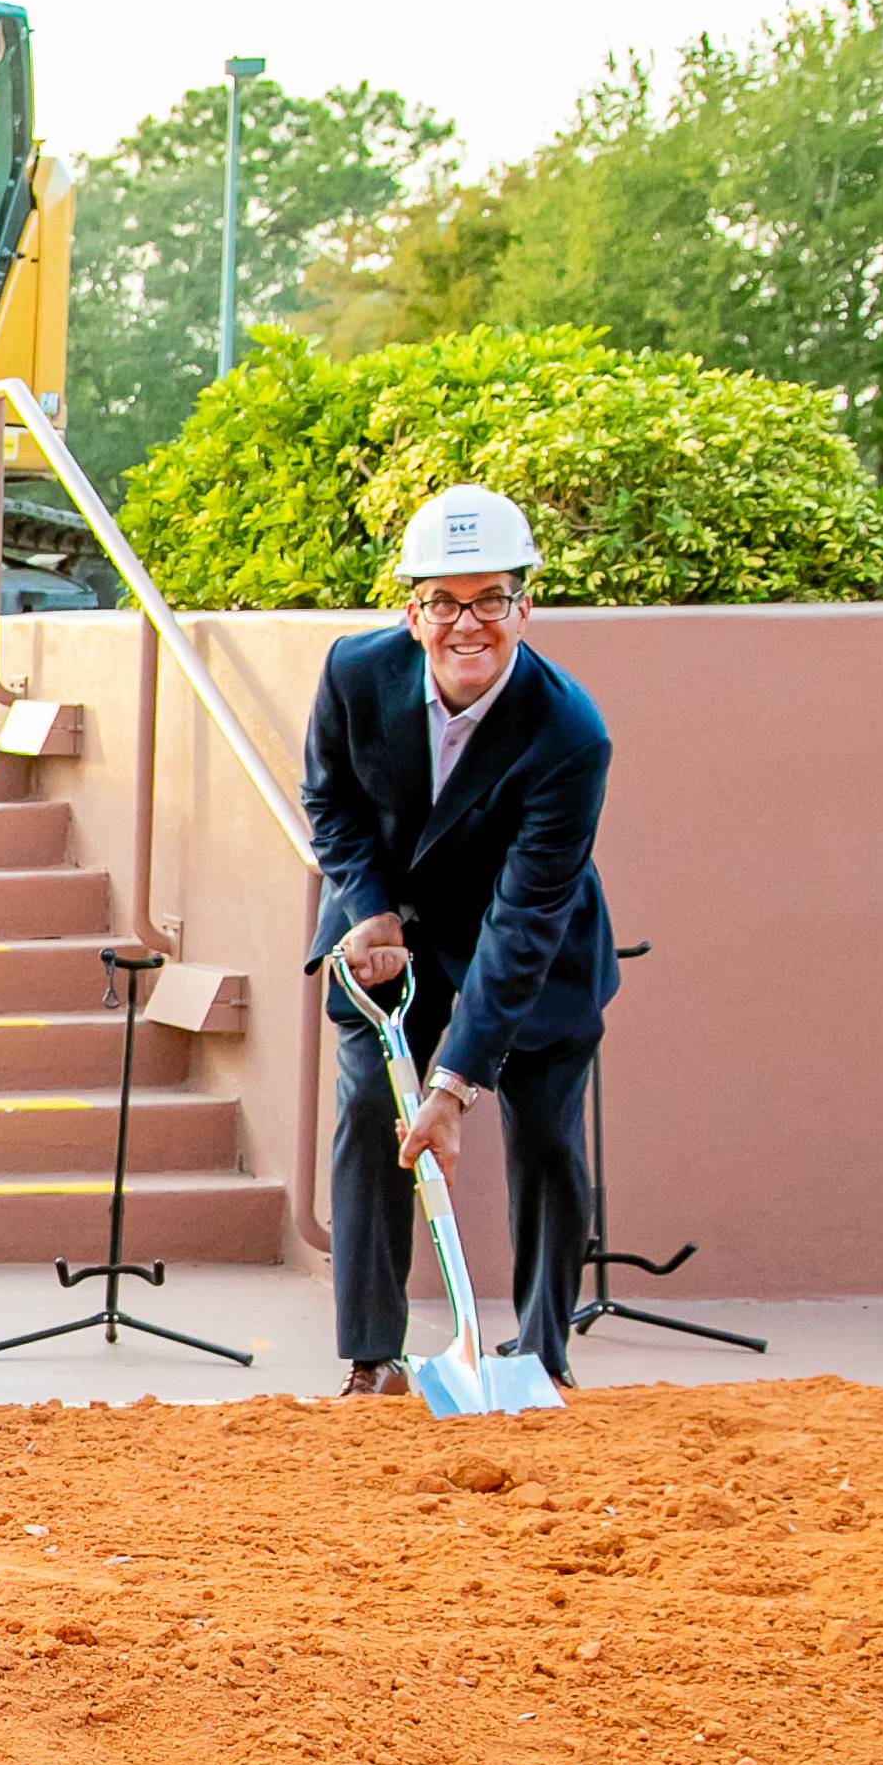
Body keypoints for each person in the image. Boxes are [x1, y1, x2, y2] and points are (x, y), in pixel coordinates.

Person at [301, 481, 615, 1396]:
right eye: (444, 600)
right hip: (385, 947)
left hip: (527, 955)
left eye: (489, 600)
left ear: (526, 605)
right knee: (368, 1111)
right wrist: (367, 904)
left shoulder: (569, 732)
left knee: (550, 1140)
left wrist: (454, 1083)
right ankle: (372, 1356)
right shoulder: (353, 674)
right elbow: (333, 802)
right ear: (412, 609)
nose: (465, 623)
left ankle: (541, 1352)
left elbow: (525, 918)